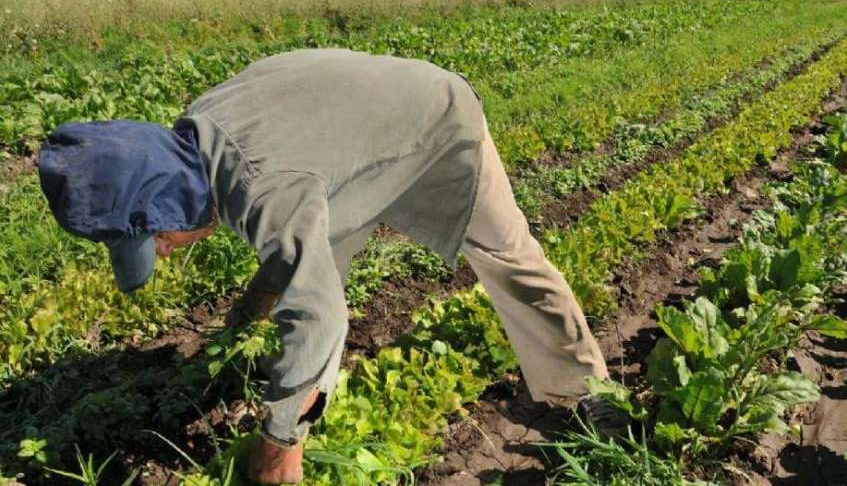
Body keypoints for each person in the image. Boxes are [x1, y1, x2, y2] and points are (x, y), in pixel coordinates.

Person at [37, 49, 617, 485]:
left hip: (436, 121)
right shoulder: (199, 133)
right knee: (316, 266)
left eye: (157, 241)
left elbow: (318, 311)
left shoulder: (262, 185)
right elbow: (288, 237)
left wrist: (277, 445)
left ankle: (592, 392)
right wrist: (249, 310)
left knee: (509, 257)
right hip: (349, 150)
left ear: (172, 206)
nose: (162, 252)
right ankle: (301, 389)